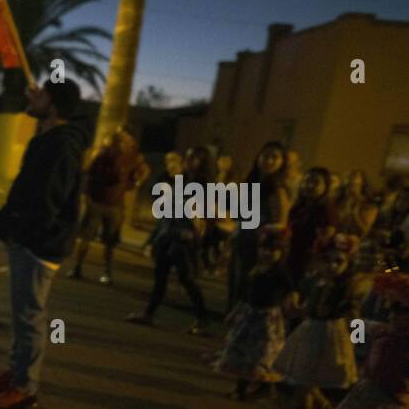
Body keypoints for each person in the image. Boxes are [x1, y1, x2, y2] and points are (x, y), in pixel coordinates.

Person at [0, 79, 91, 409]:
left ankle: (25, 387)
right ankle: (17, 371)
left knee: (30, 315)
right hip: (30, 239)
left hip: (39, 245)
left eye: (42, 95)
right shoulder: (49, 139)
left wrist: (25, 233)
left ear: (55, 106)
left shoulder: (62, 145)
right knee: (21, 312)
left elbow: (50, 200)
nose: (34, 98)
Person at [323, 271, 409, 409]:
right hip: (372, 389)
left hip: (395, 397)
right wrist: (353, 317)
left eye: (400, 309)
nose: (392, 313)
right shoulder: (383, 331)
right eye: (392, 307)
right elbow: (358, 331)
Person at [273, 233, 358, 409]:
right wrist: (295, 304)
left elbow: (354, 315)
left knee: (307, 383)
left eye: (339, 261)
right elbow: (302, 300)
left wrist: (357, 340)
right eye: (327, 260)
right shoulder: (315, 281)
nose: (332, 266)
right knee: (304, 381)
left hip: (330, 335)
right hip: (310, 331)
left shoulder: (345, 288)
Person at [125, 144, 213, 333]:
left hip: (184, 236)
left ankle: (202, 319)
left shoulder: (204, 186)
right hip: (168, 231)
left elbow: (203, 215)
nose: (189, 162)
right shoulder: (180, 180)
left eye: (194, 158)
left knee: (186, 278)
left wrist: (193, 232)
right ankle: (149, 313)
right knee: (160, 275)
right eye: (188, 157)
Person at [214, 225, 293, 400]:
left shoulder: (280, 273)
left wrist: (288, 306)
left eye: (273, 250)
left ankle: (264, 385)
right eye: (264, 249)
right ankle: (240, 389)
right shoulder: (255, 270)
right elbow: (245, 294)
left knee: (260, 354)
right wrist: (235, 312)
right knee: (243, 353)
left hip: (267, 317)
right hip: (250, 315)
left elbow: (290, 291)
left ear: (281, 252)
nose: (268, 253)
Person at [70, 128, 147, 283]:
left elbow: (143, 171)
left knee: (109, 242)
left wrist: (134, 183)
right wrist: (88, 194)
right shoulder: (101, 156)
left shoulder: (131, 158)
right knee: (86, 237)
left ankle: (106, 272)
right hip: (97, 201)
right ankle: (78, 267)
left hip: (115, 205)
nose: (119, 145)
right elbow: (88, 173)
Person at [227, 141, 290, 311]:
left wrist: (264, 233)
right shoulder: (250, 183)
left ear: (282, 162)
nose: (268, 161)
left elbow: (282, 223)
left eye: (274, 157)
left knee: (247, 286)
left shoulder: (278, 189)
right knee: (235, 283)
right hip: (241, 239)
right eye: (265, 156)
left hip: (259, 245)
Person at [284, 166, 338, 283]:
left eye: (315, 182)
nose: (309, 185)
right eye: (306, 181)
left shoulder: (326, 210)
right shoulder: (298, 207)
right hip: (292, 257)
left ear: (325, 187)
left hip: (309, 262)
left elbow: (324, 240)